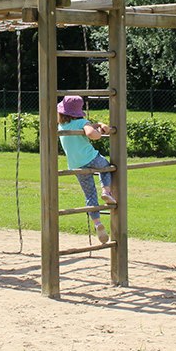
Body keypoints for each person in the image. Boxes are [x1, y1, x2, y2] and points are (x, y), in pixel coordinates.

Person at [56, 95, 116, 243]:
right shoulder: (82, 122)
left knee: (89, 194)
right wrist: (101, 132)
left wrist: (97, 124)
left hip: (76, 164)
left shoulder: (61, 126)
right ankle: (106, 191)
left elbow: (86, 128)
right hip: (91, 158)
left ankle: (97, 223)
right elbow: (91, 134)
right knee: (106, 167)